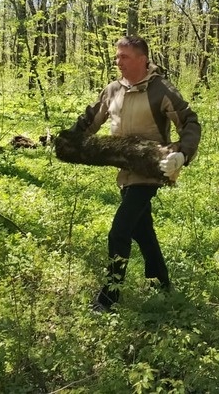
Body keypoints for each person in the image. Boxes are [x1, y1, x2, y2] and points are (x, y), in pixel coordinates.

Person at [70, 35, 201, 312]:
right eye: (117, 57)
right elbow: (90, 121)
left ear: (142, 59)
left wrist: (182, 154)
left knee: (119, 232)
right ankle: (162, 285)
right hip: (125, 170)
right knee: (144, 232)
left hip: (151, 170)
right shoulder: (113, 90)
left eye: (124, 57)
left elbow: (189, 121)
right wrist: (67, 141)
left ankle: (108, 298)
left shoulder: (160, 89)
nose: (118, 62)